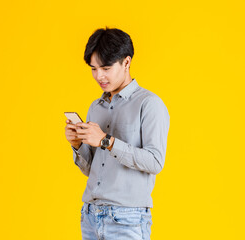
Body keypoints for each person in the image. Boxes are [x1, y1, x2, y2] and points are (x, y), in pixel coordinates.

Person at [64, 27, 170, 240]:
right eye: (93, 69)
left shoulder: (149, 104)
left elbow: (155, 162)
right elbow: (93, 168)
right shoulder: (96, 107)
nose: (99, 76)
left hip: (127, 218)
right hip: (91, 215)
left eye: (105, 68)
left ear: (126, 62)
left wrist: (106, 140)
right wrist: (78, 145)